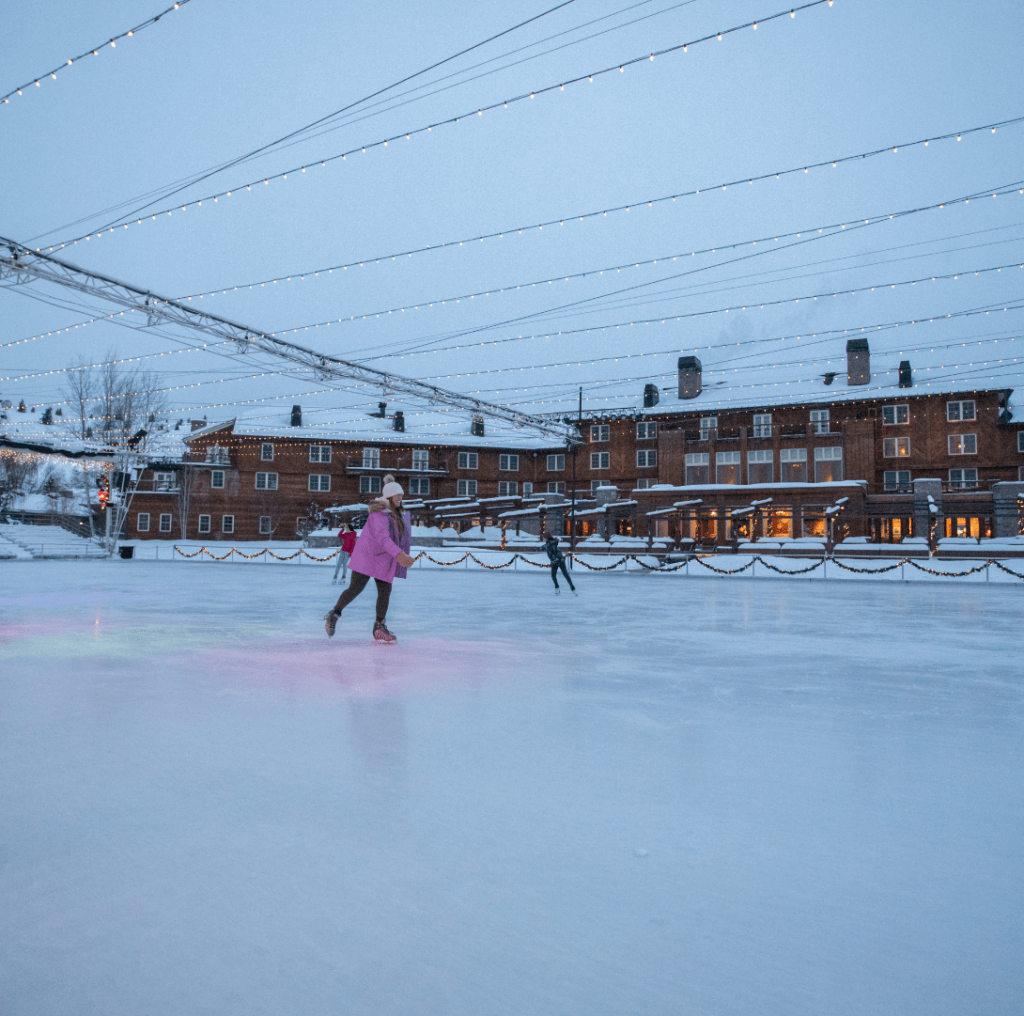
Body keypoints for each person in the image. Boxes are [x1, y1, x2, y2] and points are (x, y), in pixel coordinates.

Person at [325, 482, 416, 642]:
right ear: (389, 497)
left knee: (385, 591)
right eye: (397, 495)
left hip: (384, 560)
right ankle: (334, 614)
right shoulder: (378, 515)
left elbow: (400, 538)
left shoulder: (397, 516)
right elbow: (383, 539)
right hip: (367, 557)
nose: (400, 498)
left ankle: (379, 627)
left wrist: (401, 555)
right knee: (355, 589)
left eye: (401, 495)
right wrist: (400, 555)